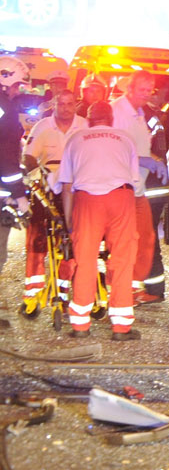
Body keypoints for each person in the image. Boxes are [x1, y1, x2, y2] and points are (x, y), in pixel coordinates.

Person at [57, 102, 140, 339]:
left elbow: (66, 186)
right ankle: (121, 327)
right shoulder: (125, 138)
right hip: (120, 197)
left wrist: (70, 220)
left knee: (85, 261)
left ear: (89, 120)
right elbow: (134, 180)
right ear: (111, 119)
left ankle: (80, 325)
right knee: (122, 260)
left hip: (87, 201)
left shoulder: (75, 139)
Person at [20, 87, 85, 312]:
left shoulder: (84, 126)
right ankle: (33, 292)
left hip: (75, 186)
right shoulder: (42, 126)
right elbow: (28, 156)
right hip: (46, 184)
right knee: (37, 237)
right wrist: (35, 177)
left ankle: (64, 289)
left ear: (75, 105)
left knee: (69, 239)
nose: (65, 108)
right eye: (61, 104)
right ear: (54, 105)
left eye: (70, 104)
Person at [112, 73, 167, 304]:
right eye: (142, 90)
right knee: (126, 242)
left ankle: (138, 290)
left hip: (138, 186)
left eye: (150, 90)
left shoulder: (140, 113)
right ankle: (123, 292)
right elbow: (115, 149)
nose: (146, 94)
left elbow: (139, 146)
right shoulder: (118, 112)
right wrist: (145, 160)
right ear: (130, 89)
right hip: (122, 188)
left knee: (145, 240)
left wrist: (152, 159)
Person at [0, 55, 44, 330]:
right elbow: (5, 161)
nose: (19, 92)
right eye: (17, 86)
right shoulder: (4, 109)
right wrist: (20, 197)